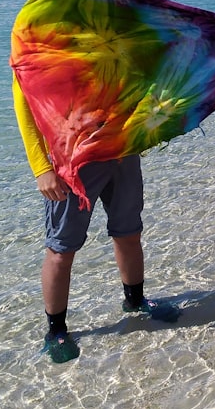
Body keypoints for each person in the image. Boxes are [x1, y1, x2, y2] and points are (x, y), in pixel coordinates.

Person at [13, 77, 179, 364]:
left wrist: (147, 127)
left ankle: (135, 301)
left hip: (122, 152)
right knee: (62, 249)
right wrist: (41, 168)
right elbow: (25, 103)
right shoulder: (40, 38)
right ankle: (56, 331)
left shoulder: (110, 33)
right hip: (71, 162)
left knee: (128, 233)